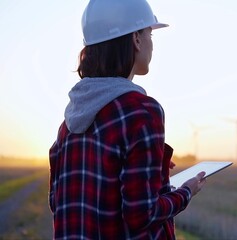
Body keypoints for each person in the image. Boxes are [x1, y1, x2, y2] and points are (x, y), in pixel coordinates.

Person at [48, 0, 206, 239]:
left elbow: (57, 202)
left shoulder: (67, 124)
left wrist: (154, 166)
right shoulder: (141, 112)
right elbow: (141, 214)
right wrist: (185, 192)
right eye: (150, 33)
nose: (152, 44)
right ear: (136, 39)